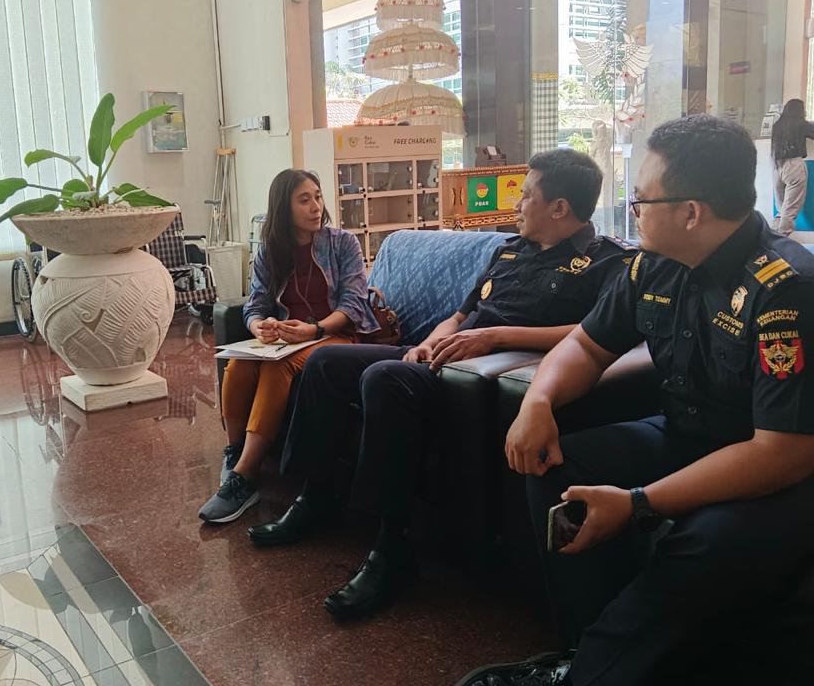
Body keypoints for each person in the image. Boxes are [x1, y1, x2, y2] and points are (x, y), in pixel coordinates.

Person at [473, 115, 814, 686]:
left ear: (691, 212)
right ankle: (580, 649)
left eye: (641, 199)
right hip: (684, 437)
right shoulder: (650, 265)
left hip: (771, 474)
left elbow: (782, 453)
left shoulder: (785, 289)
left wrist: (638, 503)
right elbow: (585, 346)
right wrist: (538, 401)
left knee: (701, 543)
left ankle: (589, 675)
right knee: (557, 466)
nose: (633, 210)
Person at [250, 149, 635, 621]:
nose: (517, 205)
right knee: (326, 361)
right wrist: (429, 342)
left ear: (559, 208)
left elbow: (593, 333)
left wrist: (496, 336)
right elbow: (458, 314)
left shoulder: (605, 262)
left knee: (384, 378)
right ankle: (315, 498)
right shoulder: (509, 250)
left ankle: (393, 551)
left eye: (526, 195)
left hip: (478, 377)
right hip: (442, 357)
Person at [198, 168, 378, 524]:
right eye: (304, 199)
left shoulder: (343, 243)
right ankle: (234, 454)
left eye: (318, 197)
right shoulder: (271, 251)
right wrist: (259, 326)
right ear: (284, 207)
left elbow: (354, 304)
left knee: (278, 367)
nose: (316, 206)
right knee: (239, 364)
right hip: (287, 339)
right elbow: (255, 304)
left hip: (337, 336)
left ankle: (244, 477)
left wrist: (314, 329)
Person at [770, 98, 814, 237]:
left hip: (777, 166)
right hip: (794, 166)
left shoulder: (777, 125)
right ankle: (782, 241)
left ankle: (771, 239)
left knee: (781, 210)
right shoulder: (801, 124)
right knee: (789, 210)